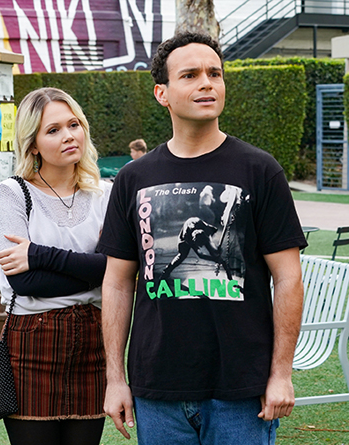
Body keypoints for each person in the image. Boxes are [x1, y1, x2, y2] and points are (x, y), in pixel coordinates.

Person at [97, 32, 306, 445]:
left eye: (215, 73)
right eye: (190, 75)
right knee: (179, 263)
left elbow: (288, 278)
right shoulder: (133, 178)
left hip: (242, 390)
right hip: (157, 386)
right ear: (163, 93)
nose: (206, 83)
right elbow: (118, 282)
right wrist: (115, 378)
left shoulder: (260, 171)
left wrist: (281, 373)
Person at [0, 87, 112, 445]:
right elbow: (27, 283)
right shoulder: (12, 193)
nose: (69, 136)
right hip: (31, 342)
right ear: (32, 144)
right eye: (53, 130)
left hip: (94, 340)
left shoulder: (104, 195)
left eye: (74, 124)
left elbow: (114, 270)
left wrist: (40, 255)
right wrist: (91, 272)